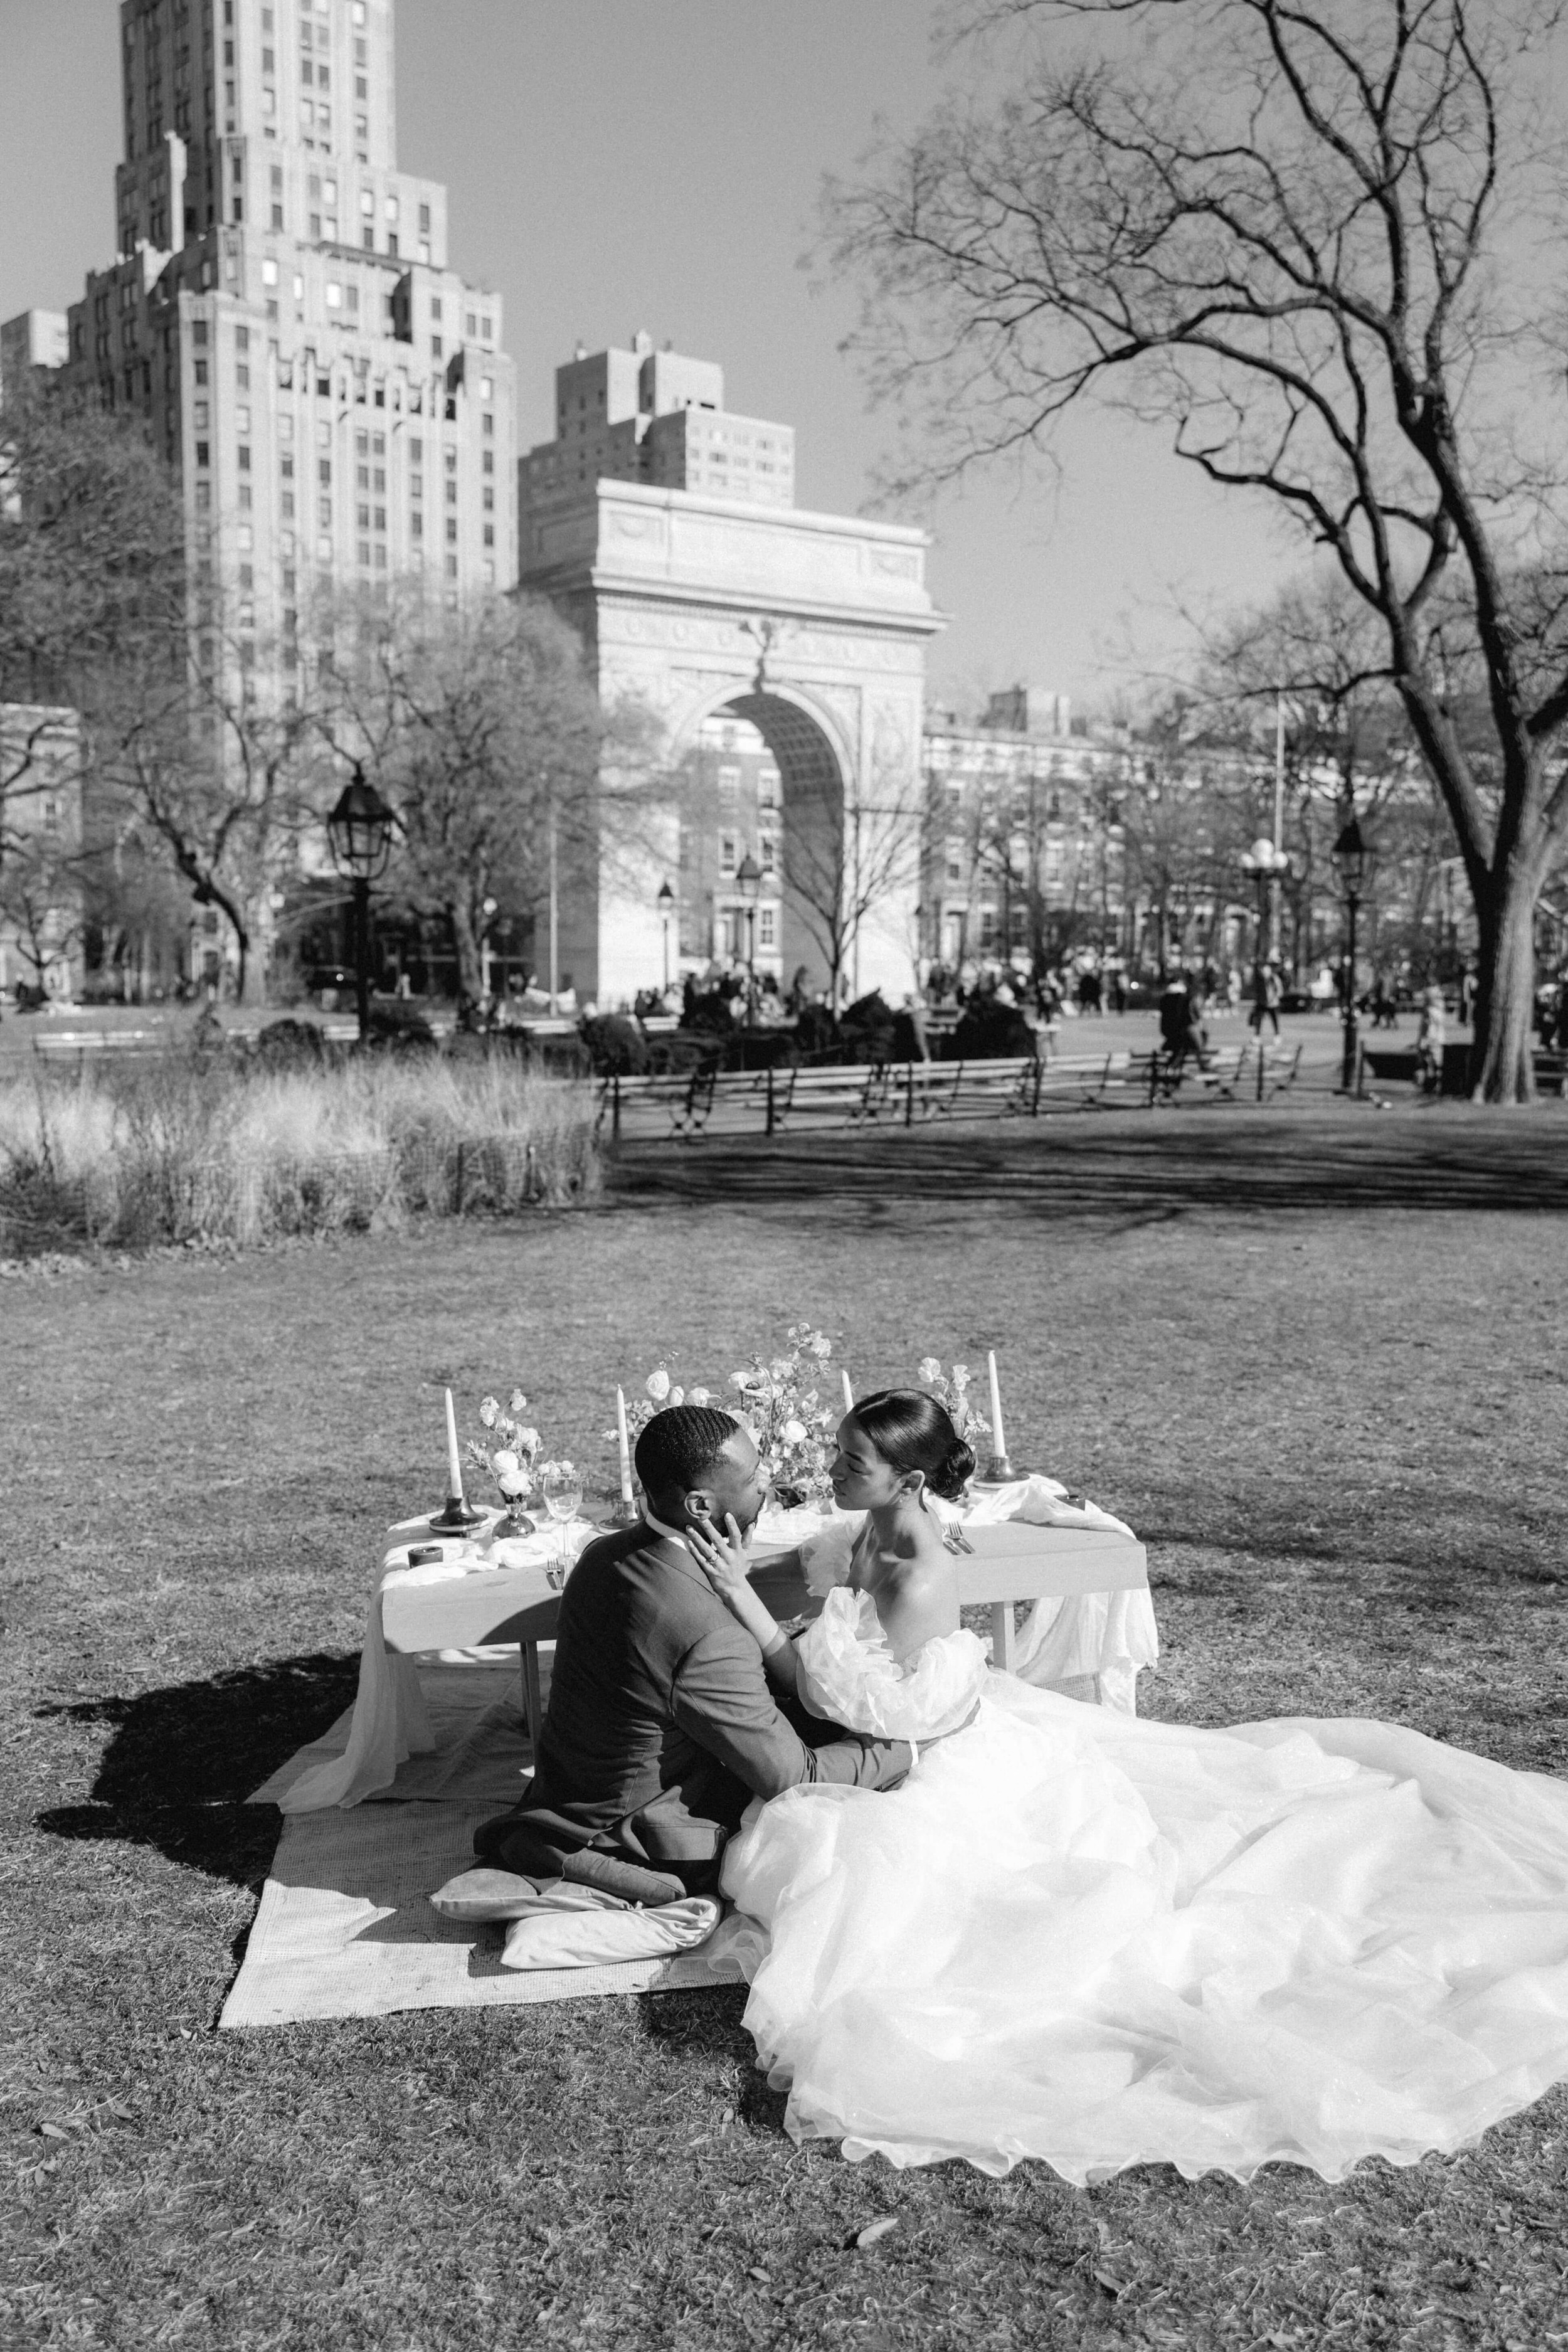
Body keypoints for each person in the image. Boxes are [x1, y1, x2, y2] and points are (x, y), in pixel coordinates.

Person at [682, 1392, 1568, 2187]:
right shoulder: (888, 1522)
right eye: (837, 1453)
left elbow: (842, 1698)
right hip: (906, 1708)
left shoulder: (919, 1575)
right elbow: (850, 1555)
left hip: (920, 1750)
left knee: (875, 1891)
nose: (831, 1471)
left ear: (906, 1480)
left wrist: (750, 1612)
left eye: (849, 1463)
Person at [472, 1406, 914, 1901]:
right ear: (701, 1507)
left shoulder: (604, 1555)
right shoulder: (706, 1635)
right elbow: (794, 1779)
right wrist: (907, 1744)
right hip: (643, 1834)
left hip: (575, 1786)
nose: (765, 1486)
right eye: (751, 1479)